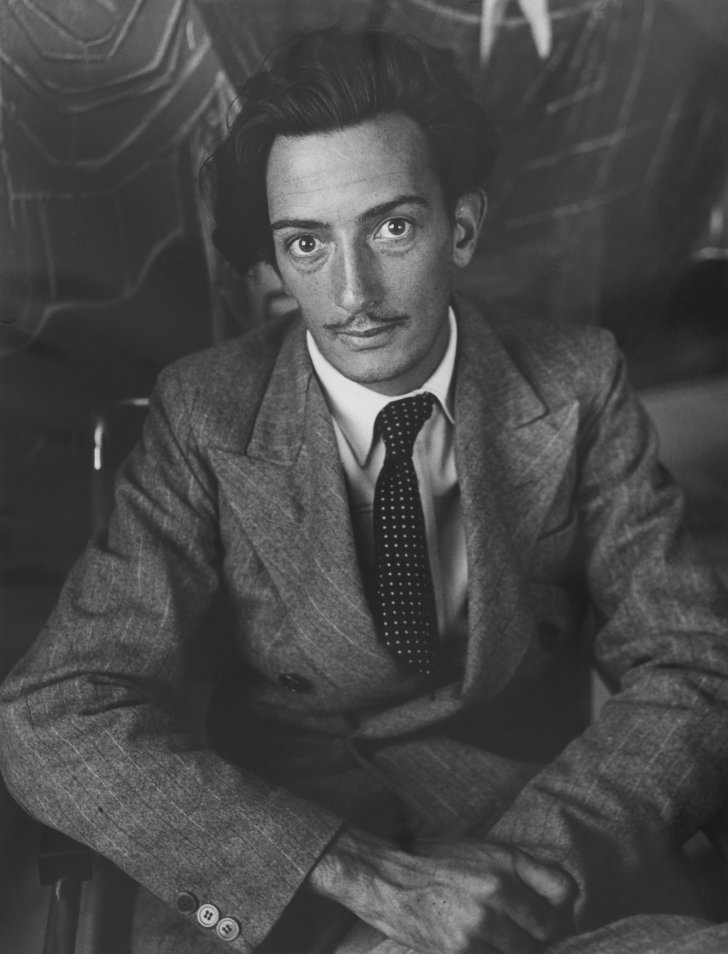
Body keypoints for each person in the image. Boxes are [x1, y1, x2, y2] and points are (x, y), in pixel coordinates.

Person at [2, 26, 728, 954]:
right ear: (274, 260)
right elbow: (56, 708)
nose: (353, 292)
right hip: (283, 885)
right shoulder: (206, 414)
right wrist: (368, 880)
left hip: (536, 858)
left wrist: (502, 886)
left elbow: (693, 665)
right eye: (307, 243)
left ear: (461, 227)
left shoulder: (578, 383)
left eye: (391, 228)